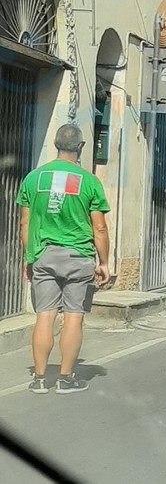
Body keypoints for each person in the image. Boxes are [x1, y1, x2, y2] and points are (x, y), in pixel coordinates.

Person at [18, 124, 110, 394]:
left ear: (56, 144)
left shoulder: (33, 178)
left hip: (43, 255)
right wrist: (104, 262)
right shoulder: (89, 181)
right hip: (78, 258)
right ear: (80, 147)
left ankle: (39, 379)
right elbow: (100, 228)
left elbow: (24, 223)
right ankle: (65, 378)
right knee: (73, 317)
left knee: (44, 316)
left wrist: (29, 257)